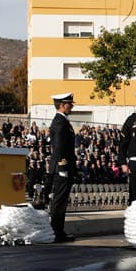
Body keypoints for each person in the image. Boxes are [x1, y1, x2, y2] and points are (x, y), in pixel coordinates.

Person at [48, 92, 77, 242]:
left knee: (61, 200)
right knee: (59, 201)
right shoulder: (60, 123)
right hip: (61, 168)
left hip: (63, 167)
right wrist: (63, 167)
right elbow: (59, 148)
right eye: (70, 104)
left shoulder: (63, 121)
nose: (71, 106)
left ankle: (58, 230)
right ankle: (56, 232)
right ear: (62, 105)